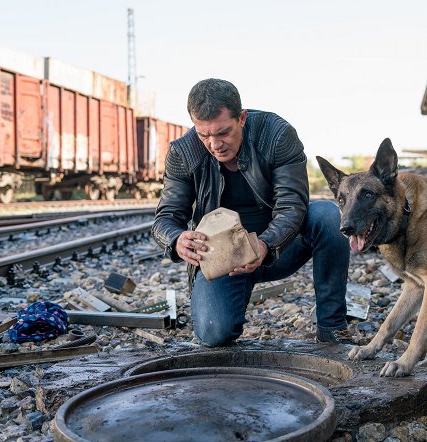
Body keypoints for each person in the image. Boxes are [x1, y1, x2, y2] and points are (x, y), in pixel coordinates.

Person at [151, 78, 352, 346]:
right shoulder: (183, 152)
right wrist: (176, 240)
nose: (215, 144)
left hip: (279, 246)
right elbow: (165, 218)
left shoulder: (276, 135)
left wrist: (266, 244)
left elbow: (292, 205)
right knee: (214, 333)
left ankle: (332, 327)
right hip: (223, 259)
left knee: (328, 215)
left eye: (223, 132)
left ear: (242, 118)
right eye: (204, 135)